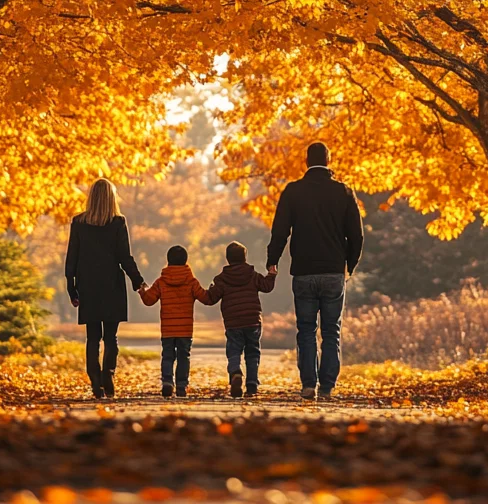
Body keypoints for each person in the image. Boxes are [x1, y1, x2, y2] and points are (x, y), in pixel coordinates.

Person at [267, 141, 364, 400]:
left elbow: (280, 230)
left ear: (306, 162)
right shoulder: (343, 192)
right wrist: (349, 265)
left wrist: (272, 259)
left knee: (306, 330)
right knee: (332, 331)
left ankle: (308, 384)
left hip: (304, 272)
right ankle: (327, 387)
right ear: (329, 161)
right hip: (333, 272)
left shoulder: (293, 191)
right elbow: (357, 235)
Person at [64, 178, 145, 399]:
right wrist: (138, 282)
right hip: (112, 285)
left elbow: (72, 258)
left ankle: (95, 381)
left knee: (92, 337)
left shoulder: (78, 222)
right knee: (111, 337)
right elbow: (125, 257)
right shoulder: (118, 223)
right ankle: (108, 374)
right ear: (112, 197)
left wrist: (72, 289)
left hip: (88, 285)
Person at [204, 241, 277, 398]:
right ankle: (252, 383)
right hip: (252, 319)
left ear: (228, 259)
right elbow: (266, 287)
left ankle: (235, 372)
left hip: (233, 322)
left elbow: (211, 298)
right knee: (253, 352)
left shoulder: (221, 279)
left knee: (234, 349)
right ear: (245, 257)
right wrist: (271, 275)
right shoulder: (253, 275)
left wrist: (210, 289)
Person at [138, 245, 208, 398]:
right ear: (185, 261)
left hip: (168, 329)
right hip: (185, 329)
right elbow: (205, 298)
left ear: (168, 261)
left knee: (168, 356)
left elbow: (149, 300)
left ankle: (167, 382)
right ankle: (182, 385)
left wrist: (142, 291)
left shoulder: (161, 282)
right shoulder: (191, 281)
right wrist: (215, 290)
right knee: (184, 356)